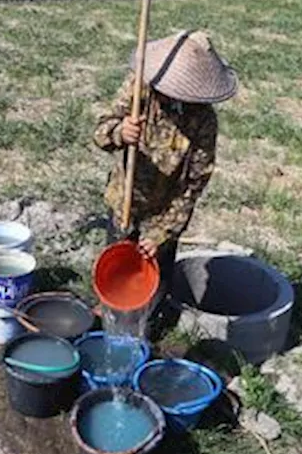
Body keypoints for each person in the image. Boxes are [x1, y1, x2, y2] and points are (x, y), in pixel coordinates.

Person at [93, 30, 238, 281]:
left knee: (154, 278)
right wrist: (120, 132)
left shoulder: (203, 121)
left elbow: (193, 184)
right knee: (116, 272)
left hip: (165, 210)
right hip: (125, 198)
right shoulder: (140, 90)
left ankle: (152, 317)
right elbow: (100, 133)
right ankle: (111, 315)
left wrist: (161, 233)